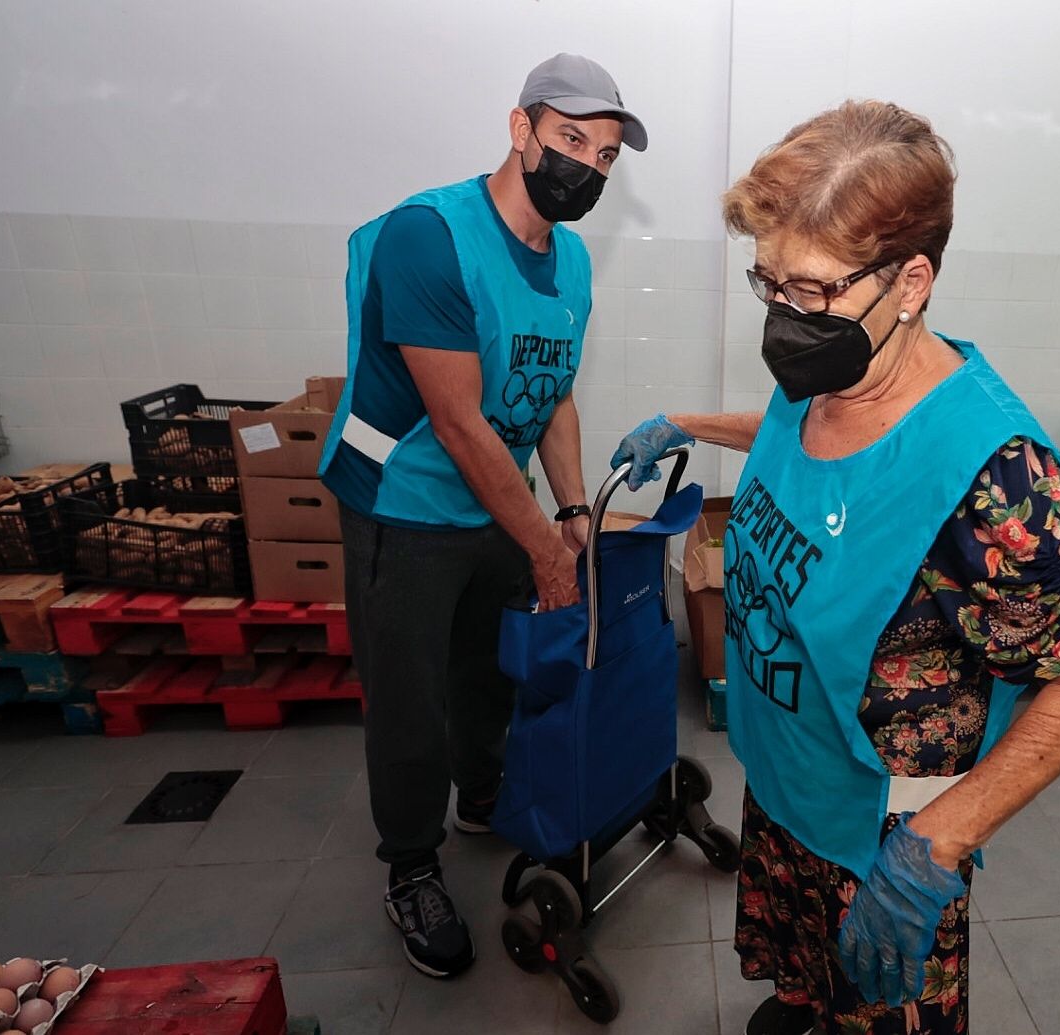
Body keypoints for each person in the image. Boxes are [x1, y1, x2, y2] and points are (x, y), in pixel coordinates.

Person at [613, 101, 1060, 1034]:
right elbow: (792, 444)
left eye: (809, 289)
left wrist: (940, 843)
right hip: (790, 782)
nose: (781, 315)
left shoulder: (996, 480)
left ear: (911, 280)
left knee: (880, 1003)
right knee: (810, 988)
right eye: (767, 282)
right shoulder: (822, 378)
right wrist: (688, 423)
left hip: (882, 842)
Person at [317, 53, 646, 979]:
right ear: (521, 128)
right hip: (406, 505)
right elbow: (460, 424)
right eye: (572, 139)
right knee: (411, 695)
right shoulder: (430, 236)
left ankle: (482, 795)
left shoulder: (572, 258)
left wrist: (573, 511)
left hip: (499, 509)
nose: (588, 165)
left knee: (486, 671)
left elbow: (555, 397)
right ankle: (411, 864)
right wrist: (546, 549)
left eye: (607, 152)